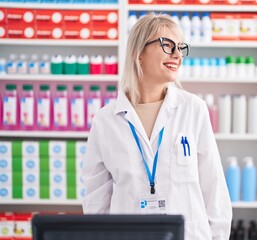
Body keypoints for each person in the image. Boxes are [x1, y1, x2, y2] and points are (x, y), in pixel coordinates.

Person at [82, 12, 232, 239]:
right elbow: (96, 201)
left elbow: (214, 189)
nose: (177, 55)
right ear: (138, 53)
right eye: (167, 45)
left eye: (180, 47)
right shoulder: (105, 121)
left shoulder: (193, 109)